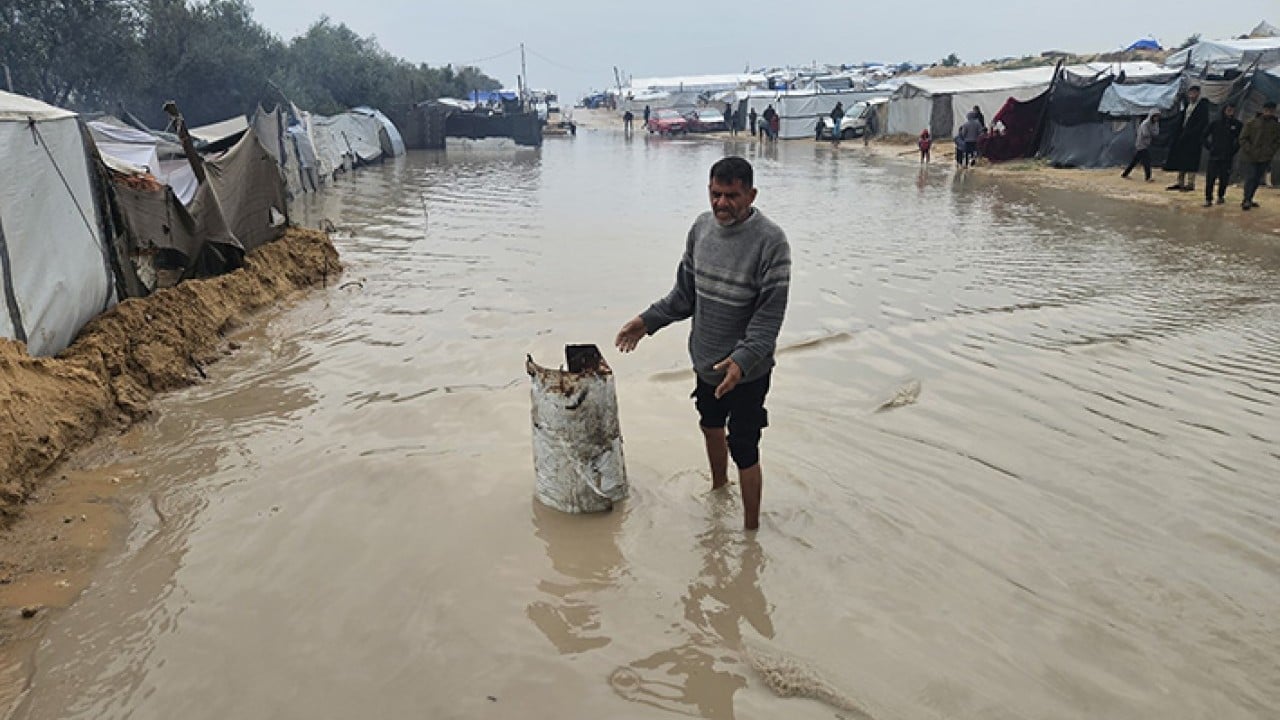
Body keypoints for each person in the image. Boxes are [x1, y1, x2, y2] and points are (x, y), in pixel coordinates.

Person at [615, 156, 790, 531]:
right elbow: (684, 296)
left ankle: (750, 533)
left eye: (731, 196)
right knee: (710, 425)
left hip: (748, 371)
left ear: (751, 194)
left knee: (744, 448)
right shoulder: (700, 230)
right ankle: (718, 489)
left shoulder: (771, 243)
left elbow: (768, 319)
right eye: (715, 194)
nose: (721, 204)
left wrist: (741, 361)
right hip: (706, 361)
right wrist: (646, 322)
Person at [1163, 86, 1210, 191]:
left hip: (1194, 138)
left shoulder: (1202, 107)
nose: (1192, 95)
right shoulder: (1187, 106)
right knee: (1181, 159)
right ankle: (1180, 182)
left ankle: (1190, 183)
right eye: (1190, 93)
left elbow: (1202, 123)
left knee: (1191, 161)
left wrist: (1192, 133)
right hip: (1183, 136)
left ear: (1198, 94)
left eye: (1194, 93)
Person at [1238, 101, 1280, 211]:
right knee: (1250, 177)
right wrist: (1249, 149)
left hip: (1265, 157)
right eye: (1267, 110)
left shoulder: (1275, 126)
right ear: (1262, 110)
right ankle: (1246, 199)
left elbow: (1277, 141)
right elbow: (1243, 138)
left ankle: (1250, 198)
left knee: (1257, 179)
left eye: (1271, 111)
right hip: (1250, 156)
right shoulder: (1252, 122)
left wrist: (1271, 151)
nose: (1269, 113)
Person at [1202, 104, 1242, 206]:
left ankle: (1220, 196)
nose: (1230, 112)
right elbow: (1204, 135)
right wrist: (1210, 147)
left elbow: (1241, 139)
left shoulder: (1237, 124)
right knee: (1210, 178)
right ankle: (1208, 198)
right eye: (1228, 110)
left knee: (1224, 179)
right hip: (1214, 155)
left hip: (1227, 156)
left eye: (1232, 110)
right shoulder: (1215, 123)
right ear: (1224, 110)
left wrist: (1233, 150)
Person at [1121, 110, 1161, 182]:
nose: (1156, 118)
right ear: (1151, 116)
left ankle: (1125, 174)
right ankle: (1148, 177)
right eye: (1155, 116)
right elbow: (1146, 134)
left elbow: (1156, 133)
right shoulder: (1145, 124)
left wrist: (1151, 133)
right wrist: (1152, 133)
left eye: (1157, 116)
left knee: (1135, 160)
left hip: (1147, 143)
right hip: (1141, 144)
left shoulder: (1155, 123)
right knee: (1147, 161)